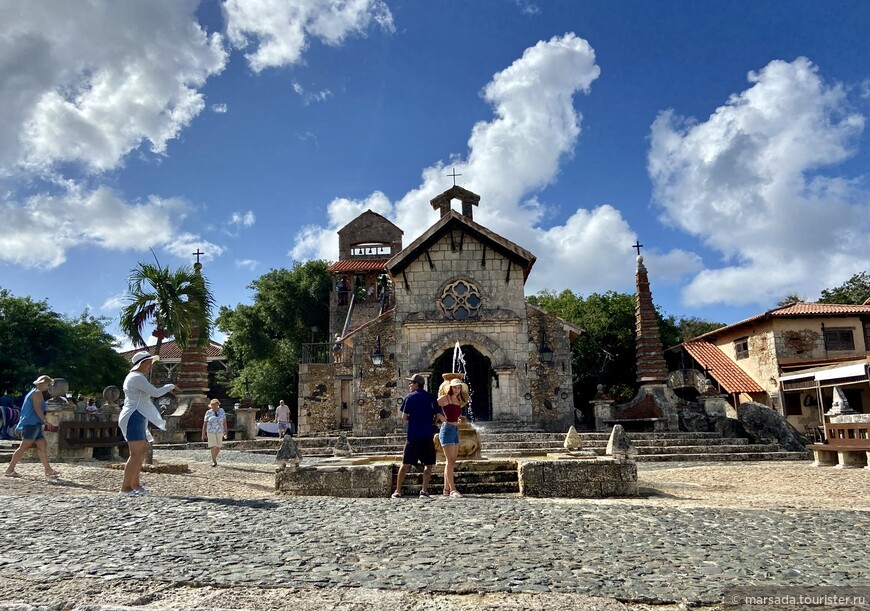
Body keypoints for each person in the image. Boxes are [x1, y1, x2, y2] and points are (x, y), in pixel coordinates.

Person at [119, 351, 175, 496]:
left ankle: (135, 484)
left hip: (138, 415)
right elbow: (155, 393)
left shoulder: (136, 377)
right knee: (136, 453)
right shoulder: (136, 377)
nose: (150, 365)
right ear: (141, 363)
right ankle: (125, 488)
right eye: (148, 362)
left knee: (141, 451)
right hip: (134, 415)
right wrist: (170, 386)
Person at [391, 374, 444, 500]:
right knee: (428, 465)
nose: (409, 385)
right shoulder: (430, 397)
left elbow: (404, 417)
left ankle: (397, 491)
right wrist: (432, 421)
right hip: (427, 435)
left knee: (405, 464)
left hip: (413, 436)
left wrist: (413, 418)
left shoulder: (409, 397)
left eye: (411, 383)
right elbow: (437, 414)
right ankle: (424, 491)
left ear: (416, 384)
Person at [4, 375, 61, 478]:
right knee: (24, 447)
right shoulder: (37, 393)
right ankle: (10, 469)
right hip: (32, 424)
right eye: (46, 384)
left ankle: (48, 470)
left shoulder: (33, 392)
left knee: (42, 445)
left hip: (34, 423)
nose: (46, 386)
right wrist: (45, 421)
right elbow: (37, 409)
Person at [437, 377, 469, 498]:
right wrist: (440, 416)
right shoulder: (445, 398)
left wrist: (458, 419)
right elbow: (433, 405)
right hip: (447, 430)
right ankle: (453, 490)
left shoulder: (457, 400)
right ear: (450, 388)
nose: (457, 389)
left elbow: (455, 414)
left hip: (455, 430)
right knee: (450, 461)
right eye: (455, 387)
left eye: (459, 387)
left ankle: (446, 489)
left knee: (451, 462)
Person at [202, 398, 228, 467]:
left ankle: (214, 457)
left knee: (219, 446)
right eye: (212, 405)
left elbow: (224, 421)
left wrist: (225, 430)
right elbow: (205, 423)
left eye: (215, 405)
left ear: (218, 405)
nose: (214, 406)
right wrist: (203, 433)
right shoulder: (208, 412)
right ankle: (214, 461)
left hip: (219, 430)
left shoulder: (222, 411)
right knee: (212, 446)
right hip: (211, 430)